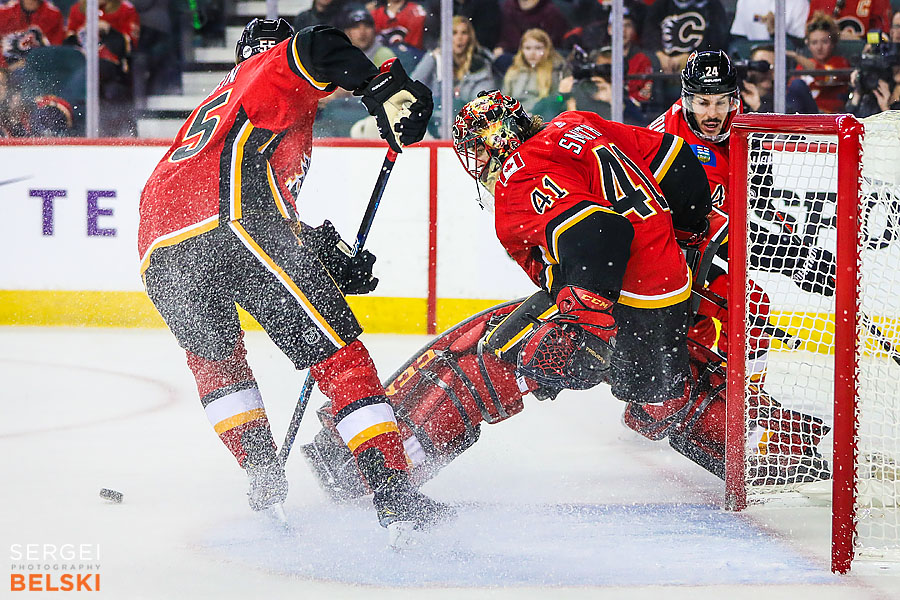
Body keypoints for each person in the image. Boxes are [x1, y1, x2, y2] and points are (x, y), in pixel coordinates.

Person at [138, 18, 453, 542]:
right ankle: (394, 493)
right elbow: (318, 43)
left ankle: (263, 476)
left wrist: (321, 256)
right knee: (338, 353)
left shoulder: (231, 107)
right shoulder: (268, 74)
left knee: (218, 362)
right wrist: (384, 87)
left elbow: (265, 212)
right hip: (226, 219)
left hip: (159, 246)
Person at [410, 15, 495, 133]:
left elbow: (482, 103)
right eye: (454, 33)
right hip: (434, 125)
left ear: (470, 37)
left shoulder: (480, 65)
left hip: (469, 129)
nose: (459, 38)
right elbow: (412, 87)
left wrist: (458, 98)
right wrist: (431, 59)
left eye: (464, 33)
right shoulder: (435, 59)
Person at [791, 12, 850, 114]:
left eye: (824, 42)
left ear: (833, 43)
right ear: (808, 45)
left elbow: (824, 76)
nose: (819, 47)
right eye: (814, 43)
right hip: (806, 114)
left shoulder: (840, 63)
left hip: (830, 115)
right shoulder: (802, 66)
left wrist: (795, 56)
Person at [738, 44, 818, 114]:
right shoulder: (739, 97)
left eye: (773, 67)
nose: (768, 71)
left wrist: (758, 107)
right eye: (761, 65)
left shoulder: (788, 102)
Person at [501, 28, 567, 112]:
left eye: (538, 48)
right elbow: (504, 101)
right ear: (522, 50)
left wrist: (557, 98)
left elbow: (560, 99)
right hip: (516, 115)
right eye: (527, 48)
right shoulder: (513, 72)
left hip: (544, 116)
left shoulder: (556, 72)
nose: (532, 53)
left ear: (547, 49)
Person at [0, 0, 63, 69]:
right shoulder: (4, 13)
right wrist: (4, 68)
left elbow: (55, 50)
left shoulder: (54, 15)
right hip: (7, 67)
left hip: (40, 66)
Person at [807, 0, 893, 40]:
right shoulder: (819, 1)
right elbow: (808, 34)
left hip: (862, 59)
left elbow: (884, 37)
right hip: (825, 62)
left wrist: (860, 43)